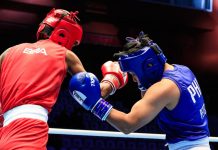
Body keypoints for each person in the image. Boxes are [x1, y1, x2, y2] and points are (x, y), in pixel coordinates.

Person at [69, 31, 211, 150]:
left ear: (147, 66)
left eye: (133, 74)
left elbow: (127, 125)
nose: (134, 80)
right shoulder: (182, 70)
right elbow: (147, 97)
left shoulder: (164, 88)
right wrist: (113, 82)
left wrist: (94, 104)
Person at [0, 8, 97, 150]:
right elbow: (91, 93)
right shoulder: (65, 54)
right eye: (74, 43)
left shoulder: (8, 52)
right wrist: (113, 80)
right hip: (29, 132)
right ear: (64, 34)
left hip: (5, 132)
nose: (73, 47)